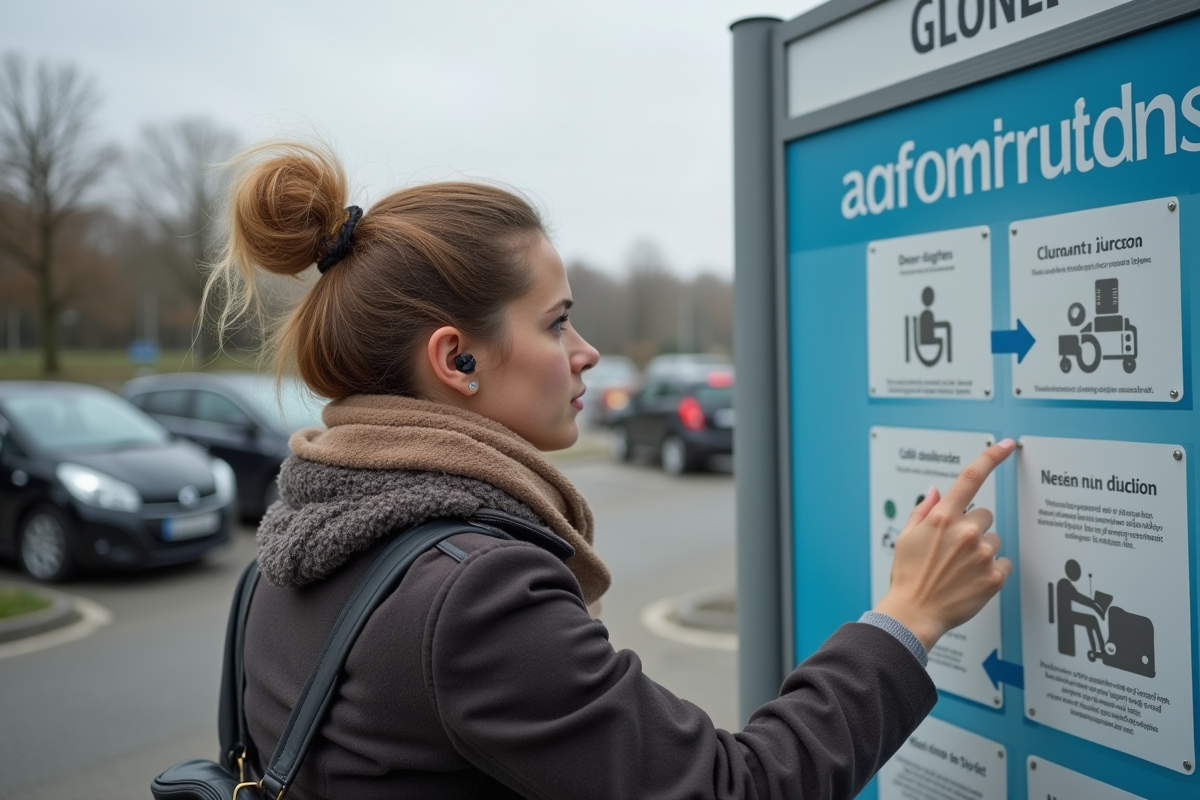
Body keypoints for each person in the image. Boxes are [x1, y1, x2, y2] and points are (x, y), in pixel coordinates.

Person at [209, 142, 1014, 800]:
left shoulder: (289, 553)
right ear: (457, 359)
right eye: (557, 322)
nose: (586, 352)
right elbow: (734, 790)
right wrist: (908, 617)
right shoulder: (473, 596)